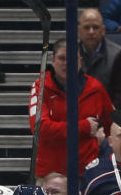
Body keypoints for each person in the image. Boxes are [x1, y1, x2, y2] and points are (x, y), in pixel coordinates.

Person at [28, 38, 114, 179]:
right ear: (53, 60)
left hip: (88, 174)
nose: (67, 64)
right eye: (62, 58)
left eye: (72, 59)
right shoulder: (40, 87)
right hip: (50, 176)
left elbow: (113, 128)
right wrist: (83, 127)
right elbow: (39, 128)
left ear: (80, 60)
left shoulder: (95, 88)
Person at [79, 8, 121, 110]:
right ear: (79, 31)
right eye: (86, 27)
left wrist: (107, 118)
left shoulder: (119, 54)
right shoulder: (68, 56)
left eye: (95, 27)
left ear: (103, 30)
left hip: (108, 115)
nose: (91, 32)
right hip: (75, 116)